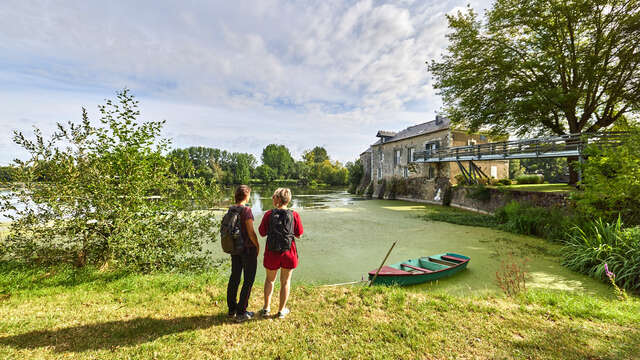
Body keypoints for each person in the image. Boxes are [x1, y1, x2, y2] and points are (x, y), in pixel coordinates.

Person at [258, 188, 303, 319]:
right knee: (285, 282)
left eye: (273, 196)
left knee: (270, 280)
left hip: (272, 253)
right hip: (288, 252)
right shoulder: (294, 215)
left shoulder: (268, 214)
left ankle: (266, 308)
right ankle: (281, 311)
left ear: (278, 199)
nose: (272, 198)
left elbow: (261, 232)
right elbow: (299, 234)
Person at [226, 185, 260, 322]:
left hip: (235, 249)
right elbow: (251, 232)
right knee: (248, 280)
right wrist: (257, 245)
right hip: (247, 249)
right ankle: (241, 312)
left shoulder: (231, 209)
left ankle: (231, 309)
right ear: (246, 196)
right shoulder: (246, 211)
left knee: (234, 277)